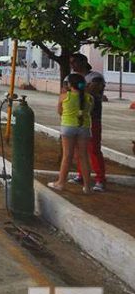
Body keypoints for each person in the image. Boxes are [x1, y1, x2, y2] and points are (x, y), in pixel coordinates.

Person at [68, 53, 107, 191]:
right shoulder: (71, 77)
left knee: (94, 149)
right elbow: (66, 92)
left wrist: (76, 88)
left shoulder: (95, 77)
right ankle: (81, 174)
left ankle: (100, 179)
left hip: (92, 118)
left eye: (74, 62)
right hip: (74, 118)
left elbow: (91, 90)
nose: (72, 65)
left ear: (84, 62)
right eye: (71, 62)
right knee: (79, 149)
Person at [50, 73, 94, 195]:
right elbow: (89, 111)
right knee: (84, 156)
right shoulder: (89, 98)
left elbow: (59, 111)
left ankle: (61, 183)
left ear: (69, 84)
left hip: (68, 127)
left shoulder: (64, 97)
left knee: (67, 156)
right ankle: (87, 187)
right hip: (84, 127)